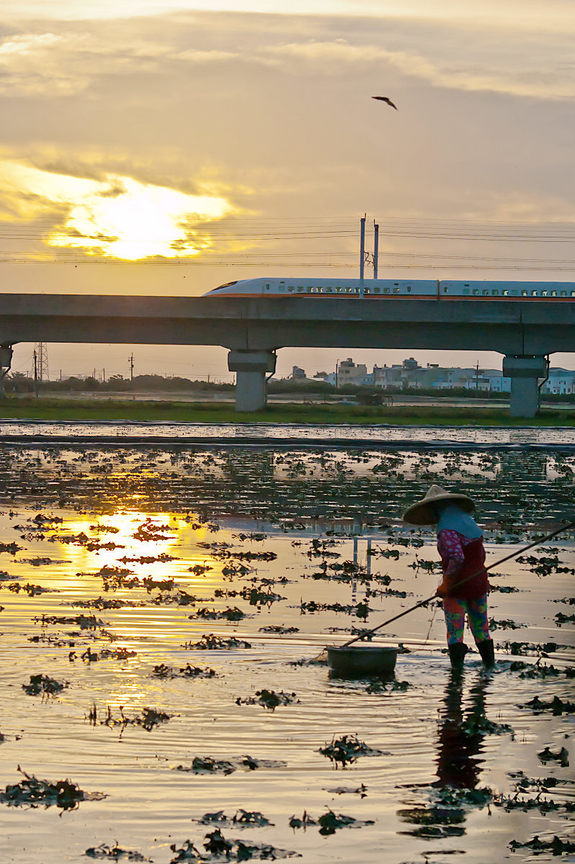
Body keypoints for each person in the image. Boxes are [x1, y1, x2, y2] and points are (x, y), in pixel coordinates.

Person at [402, 484, 495, 669]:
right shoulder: (470, 524)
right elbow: (480, 555)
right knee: (481, 628)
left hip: (457, 588)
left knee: (455, 631)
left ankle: (457, 673)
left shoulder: (446, 529)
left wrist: (447, 584)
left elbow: (457, 557)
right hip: (478, 583)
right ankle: (489, 668)